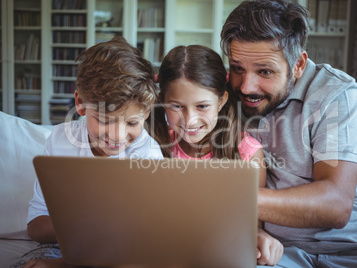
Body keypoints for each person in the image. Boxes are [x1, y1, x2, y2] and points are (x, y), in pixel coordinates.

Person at [221, 0, 357, 267]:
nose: (247, 87)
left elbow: (335, 205)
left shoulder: (334, 95)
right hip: (278, 251)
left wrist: (219, 199)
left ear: (298, 65)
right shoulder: (223, 93)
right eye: (237, 68)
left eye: (265, 71)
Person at [15, 36, 163, 268]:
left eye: (132, 123)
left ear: (146, 112)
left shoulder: (148, 154)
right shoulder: (59, 141)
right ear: (81, 103)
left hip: (125, 252)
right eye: (105, 120)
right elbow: (35, 226)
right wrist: (84, 229)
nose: (117, 136)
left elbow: (143, 237)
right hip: (61, 245)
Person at [148, 44, 283, 266]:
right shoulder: (153, 146)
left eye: (202, 106)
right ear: (163, 101)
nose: (190, 119)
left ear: (221, 101)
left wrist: (259, 237)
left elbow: (254, 223)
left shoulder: (247, 151)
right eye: (176, 106)